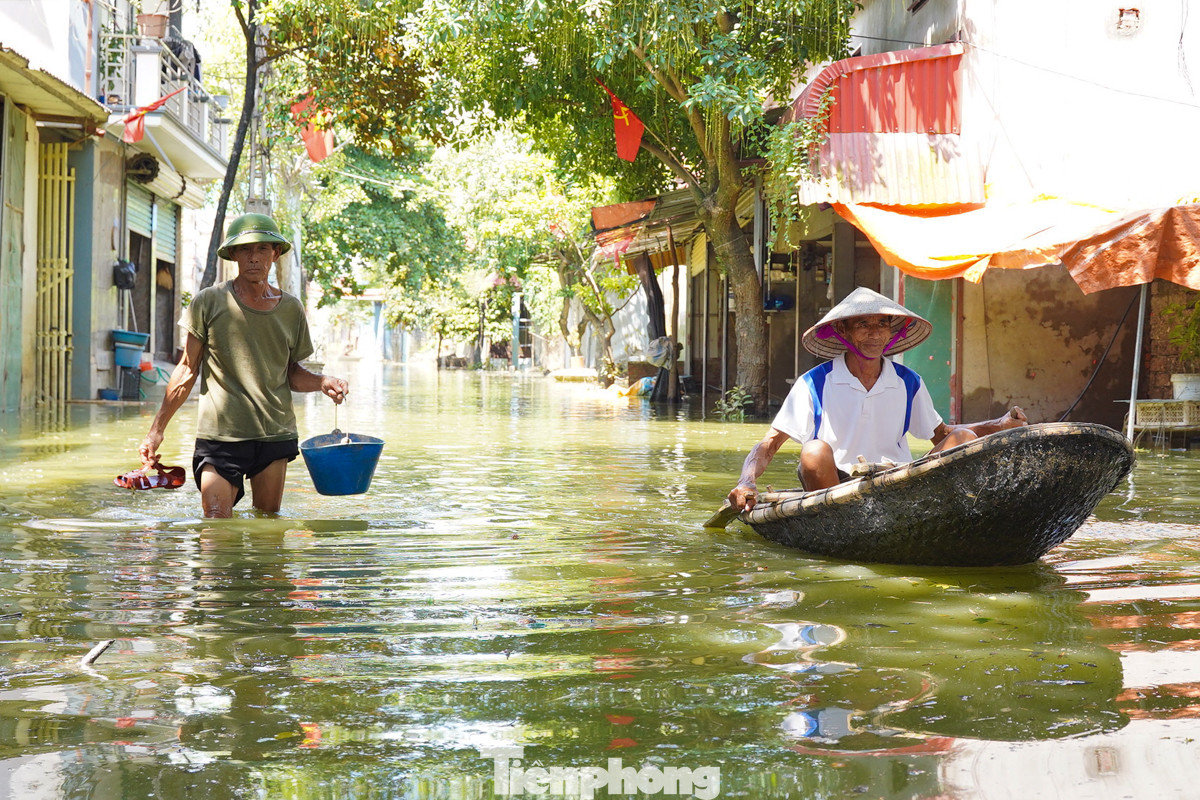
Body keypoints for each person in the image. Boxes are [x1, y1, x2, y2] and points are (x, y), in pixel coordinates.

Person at [727, 287, 1027, 512]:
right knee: (814, 450)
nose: (874, 335)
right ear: (842, 330)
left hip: (898, 480)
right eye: (863, 325)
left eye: (882, 324)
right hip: (833, 486)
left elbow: (942, 435)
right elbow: (769, 444)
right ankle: (836, 521)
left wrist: (998, 425)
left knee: (963, 438)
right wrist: (746, 482)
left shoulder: (908, 381)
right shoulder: (814, 383)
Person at [139, 212, 349, 518]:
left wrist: (322, 382)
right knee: (215, 524)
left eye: (262, 248)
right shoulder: (208, 302)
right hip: (220, 435)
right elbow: (186, 369)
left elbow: (291, 374)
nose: (254, 257)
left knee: (267, 524)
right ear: (234, 255)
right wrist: (156, 431)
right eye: (246, 249)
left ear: (275, 254)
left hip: (274, 433)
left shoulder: (292, 309)